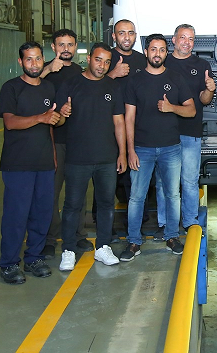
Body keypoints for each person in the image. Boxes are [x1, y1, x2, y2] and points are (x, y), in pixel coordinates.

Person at [121, 34, 195, 261]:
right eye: (153, 49)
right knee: (136, 197)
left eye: (162, 50)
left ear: (166, 52)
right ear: (146, 52)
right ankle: (134, 241)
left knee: (172, 195)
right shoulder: (134, 81)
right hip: (141, 149)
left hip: (171, 148)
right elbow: (129, 119)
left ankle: (172, 236)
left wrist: (171, 107)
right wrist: (130, 150)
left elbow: (191, 110)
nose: (158, 54)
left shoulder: (176, 78)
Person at [57, 42, 127, 271]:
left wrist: (122, 153)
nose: (103, 65)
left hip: (107, 158)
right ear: (88, 58)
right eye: (99, 60)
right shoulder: (71, 84)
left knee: (106, 205)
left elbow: (119, 121)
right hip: (78, 157)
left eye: (107, 62)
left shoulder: (113, 87)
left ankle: (103, 247)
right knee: (73, 205)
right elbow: (58, 120)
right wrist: (63, 114)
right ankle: (68, 250)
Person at [0, 41, 60, 284]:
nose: (34, 64)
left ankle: (34, 257)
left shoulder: (48, 88)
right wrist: (41, 117)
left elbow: (51, 125)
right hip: (18, 163)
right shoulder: (11, 88)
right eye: (29, 59)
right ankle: (9, 263)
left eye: (38, 59)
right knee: (16, 215)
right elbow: (10, 122)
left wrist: (53, 153)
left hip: (44, 161)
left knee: (41, 213)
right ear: (21, 62)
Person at [158, 24, 215, 236]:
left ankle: (190, 221)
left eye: (191, 39)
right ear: (173, 40)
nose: (186, 42)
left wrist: (209, 90)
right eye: (182, 37)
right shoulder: (163, 62)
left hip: (191, 131)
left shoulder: (201, 65)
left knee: (190, 180)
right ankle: (165, 223)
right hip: (164, 133)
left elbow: (204, 100)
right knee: (165, 181)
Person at [40, 29, 92, 259]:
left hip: (79, 141)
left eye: (70, 45)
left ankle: (78, 235)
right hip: (53, 141)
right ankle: (49, 239)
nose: (66, 49)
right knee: (51, 192)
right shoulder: (44, 72)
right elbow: (28, 85)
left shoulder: (81, 74)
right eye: (61, 45)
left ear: (75, 46)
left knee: (77, 192)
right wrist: (47, 70)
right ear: (53, 47)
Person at [107, 19, 148, 232]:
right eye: (121, 33)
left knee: (136, 176)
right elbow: (90, 85)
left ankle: (137, 221)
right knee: (108, 177)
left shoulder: (143, 60)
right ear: (114, 36)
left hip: (136, 127)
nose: (126, 37)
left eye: (130, 33)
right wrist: (113, 73)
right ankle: (104, 223)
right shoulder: (106, 58)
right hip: (108, 128)